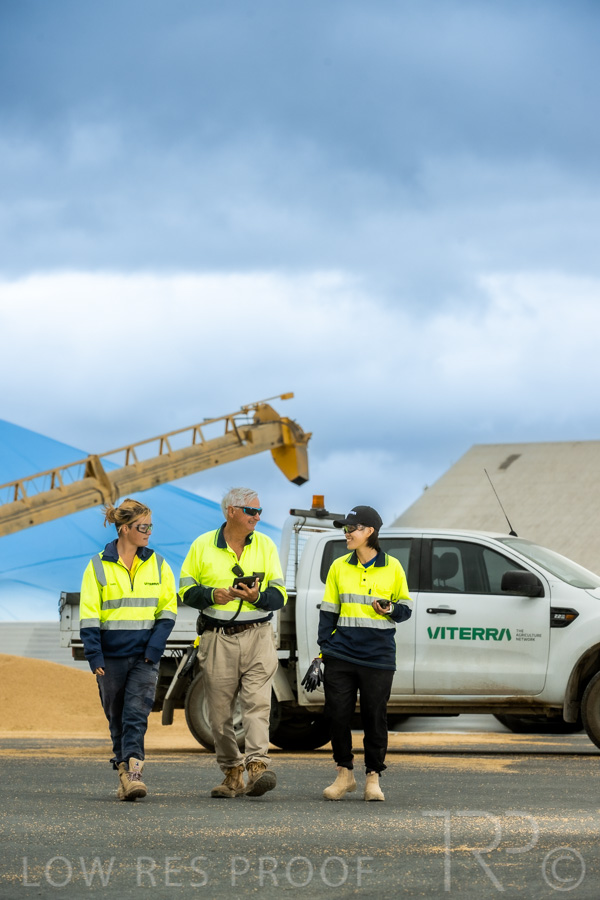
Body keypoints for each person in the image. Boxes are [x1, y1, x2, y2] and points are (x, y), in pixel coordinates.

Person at [179, 487, 286, 799]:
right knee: (220, 714)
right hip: (217, 639)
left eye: (259, 511)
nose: (257, 517)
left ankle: (257, 767)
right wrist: (213, 594)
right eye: (251, 511)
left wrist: (256, 596)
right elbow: (185, 590)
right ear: (231, 511)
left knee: (258, 705)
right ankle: (232, 772)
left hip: (259, 635)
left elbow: (279, 595)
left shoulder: (266, 545)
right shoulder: (202, 545)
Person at [79, 498, 177, 801]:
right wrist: (94, 655)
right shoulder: (97, 566)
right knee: (116, 716)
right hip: (109, 659)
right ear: (124, 529)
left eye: (150, 526)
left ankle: (135, 773)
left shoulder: (158, 564)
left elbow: (168, 611)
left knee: (136, 714)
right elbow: (89, 615)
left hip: (144, 658)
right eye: (143, 527)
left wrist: (153, 650)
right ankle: (123, 771)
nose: (149, 532)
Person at [318, 505, 413, 802]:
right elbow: (328, 612)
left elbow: (406, 610)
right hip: (341, 655)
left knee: (374, 717)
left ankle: (373, 777)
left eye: (352, 528)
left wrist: (390, 608)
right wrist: (325, 648)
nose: (346, 533)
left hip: (378, 657)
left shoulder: (393, 567)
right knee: (337, 714)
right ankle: (344, 774)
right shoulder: (338, 566)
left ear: (369, 531)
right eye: (345, 529)